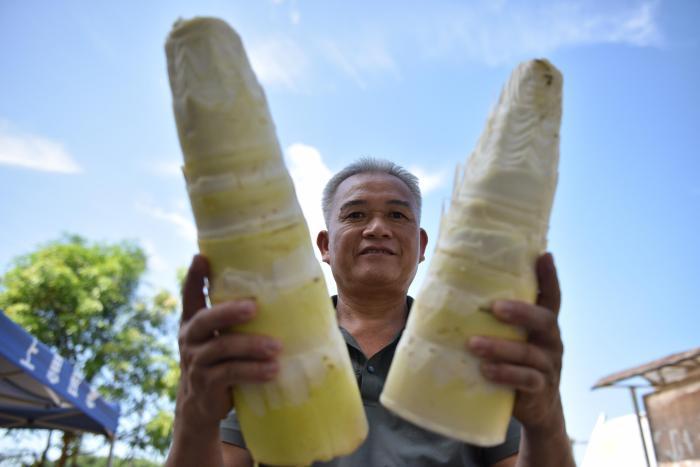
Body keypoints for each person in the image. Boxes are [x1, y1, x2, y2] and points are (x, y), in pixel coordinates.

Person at [166, 158, 575, 466]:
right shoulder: (266, 348)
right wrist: (195, 414)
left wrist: (546, 419)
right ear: (325, 246)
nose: (377, 227)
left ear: (420, 244)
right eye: (355, 214)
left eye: (397, 215)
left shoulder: (480, 349)